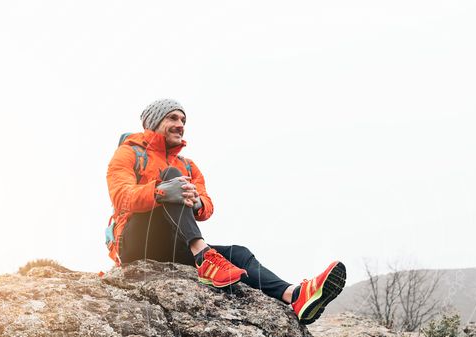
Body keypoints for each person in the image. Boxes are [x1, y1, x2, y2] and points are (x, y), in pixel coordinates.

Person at [105, 98, 345, 325]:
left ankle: (294, 295)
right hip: (135, 242)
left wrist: (196, 201)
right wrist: (162, 192)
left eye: (183, 121)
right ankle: (203, 255)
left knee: (239, 255)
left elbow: (207, 207)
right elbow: (121, 196)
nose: (180, 126)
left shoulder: (187, 165)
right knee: (171, 179)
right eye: (173, 118)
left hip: (173, 245)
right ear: (155, 122)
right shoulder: (130, 152)